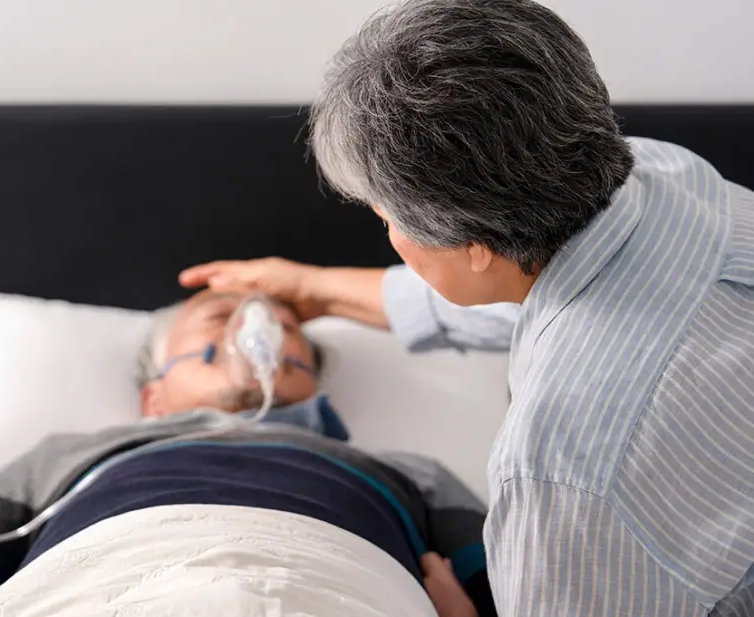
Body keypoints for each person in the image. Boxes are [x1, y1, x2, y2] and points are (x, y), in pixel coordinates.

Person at [180, 1, 754, 615]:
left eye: (384, 216)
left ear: (474, 247)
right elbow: (542, 295)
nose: (385, 228)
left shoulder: (563, 477)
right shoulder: (665, 176)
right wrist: (317, 290)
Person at [0, 290, 496, 617]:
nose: (251, 329)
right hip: (100, 580)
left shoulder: (413, 473)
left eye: (284, 328)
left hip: (333, 584)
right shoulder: (68, 455)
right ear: (153, 395)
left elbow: (519, 593)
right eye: (214, 320)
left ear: (312, 382)